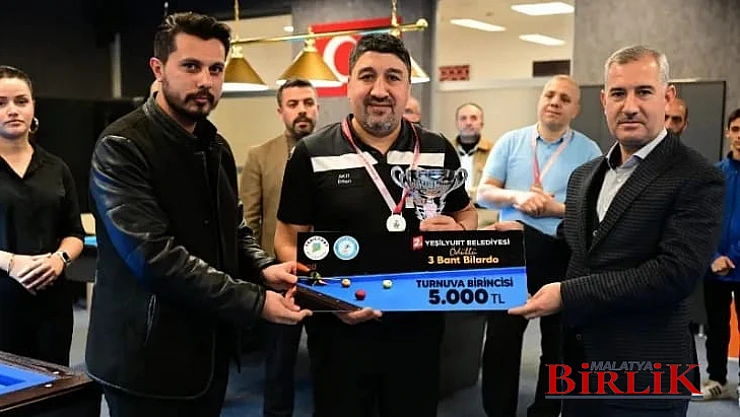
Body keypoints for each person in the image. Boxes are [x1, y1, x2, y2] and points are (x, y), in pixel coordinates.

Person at [85, 12, 311, 416]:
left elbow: (233, 227)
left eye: (215, 69)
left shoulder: (215, 146)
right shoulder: (121, 146)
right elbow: (155, 258)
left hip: (206, 352)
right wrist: (256, 301)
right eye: (191, 66)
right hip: (144, 362)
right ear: (158, 69)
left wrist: (263, 269)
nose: (205, 81)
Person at [509, 45, 724, 417]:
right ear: (604, 100)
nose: (630, 106)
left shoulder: (697, 177)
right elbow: (573, 250)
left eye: (644, 92)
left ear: (667, 97)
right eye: (619, 93)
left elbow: (673, 275)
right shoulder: (584, 176)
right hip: (578, 365)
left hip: (647, 375)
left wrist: (568, 294)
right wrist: (511, 242)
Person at [274, 33, 477, 417]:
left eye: (393, 77)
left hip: (418, 327)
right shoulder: (311, 153)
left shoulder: (437, 149)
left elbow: (466, 213)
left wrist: (461, 232)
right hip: (339, 331)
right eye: (367, 76)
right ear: (349, 85)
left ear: (408, 87)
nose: (380, 90)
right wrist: (327, 298)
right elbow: (287, 240)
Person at [476, 75, 601, 417]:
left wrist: (554, 207)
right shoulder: (511, 141)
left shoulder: (589, 151)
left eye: (564, 98)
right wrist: (517, 197)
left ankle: (546, 411)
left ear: (576, 109)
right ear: (540, 99)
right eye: (549, 95)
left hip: (561, 251)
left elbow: (595, 210)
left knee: (558, 343)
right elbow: (484, 193)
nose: (555, 102)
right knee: (501, 340)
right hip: (512, 252)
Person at [239, 78, 319, 417]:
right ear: (280, 111)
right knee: (279, 362)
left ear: (317, 108)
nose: (302, 110)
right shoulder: (260, 156)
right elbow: (248, 221)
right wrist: (258, 274)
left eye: (308, 103)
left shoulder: (335, 152)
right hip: (280, 275)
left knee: (329, 359)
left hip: (327, 275)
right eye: (293, 104)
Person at [0, 65, 84, 366]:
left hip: (51, 304)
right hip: (2, 299)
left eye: (21, 101)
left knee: (54, 384)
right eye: (1, 103)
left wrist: (59, 259)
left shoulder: (56, 168)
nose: (13, 110)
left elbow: (74, 232)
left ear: (33, 107)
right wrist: (12, 263)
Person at [697, 108, 740, 403]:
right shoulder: (714, 175)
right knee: (716, 326)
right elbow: (702, 220)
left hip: (737, 263)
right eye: (736, 129)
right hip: (714, 267)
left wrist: (732, 256)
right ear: (727, 133)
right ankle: (717, 379)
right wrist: (713, 256)